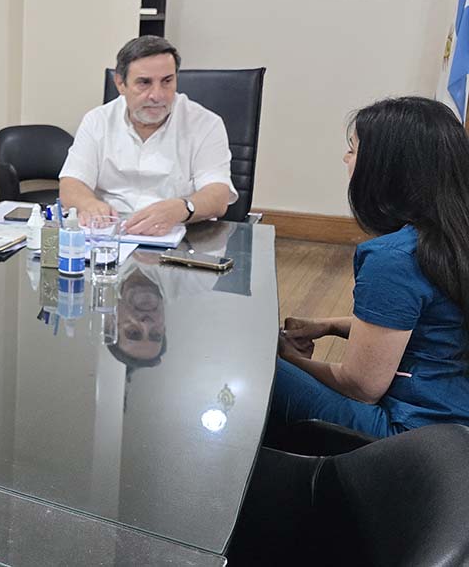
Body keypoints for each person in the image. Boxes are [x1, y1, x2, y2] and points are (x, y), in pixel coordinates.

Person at [273, 97, 469, 438]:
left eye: (352, 150)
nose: (345, 159)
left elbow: (361, 387)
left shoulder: (394, 259)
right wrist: (326, 325)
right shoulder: (454, 234)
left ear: (385, 170)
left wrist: (289, 358)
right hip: (454, 424)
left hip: (406, 435)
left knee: (256, 367)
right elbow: (412, 326)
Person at [58, 36, 237, 236]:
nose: (157, 95)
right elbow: (71, 183)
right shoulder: (97, 120)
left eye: (167, 81)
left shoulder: (205, 124)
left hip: (182, 237)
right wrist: (88, 204)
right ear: (120, 83)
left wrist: (183, 207)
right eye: (144, 83)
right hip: (110, 238)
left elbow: (218, 196)